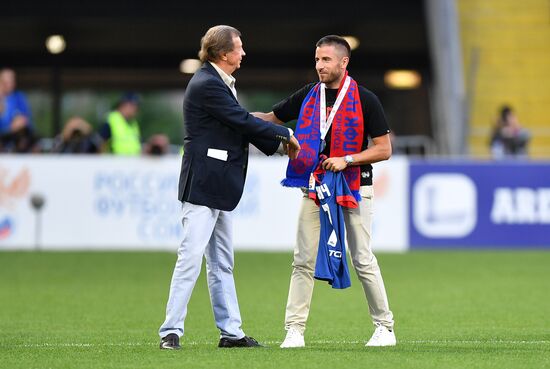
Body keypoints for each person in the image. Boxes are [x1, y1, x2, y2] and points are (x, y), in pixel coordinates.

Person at [158, 25, 301, 350]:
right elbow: (242, 121)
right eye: (239, 47)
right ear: (224, 53)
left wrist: (278, 142)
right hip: (204, 183)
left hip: (218, 183)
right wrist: (284, 136)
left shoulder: (217, 82)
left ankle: (231, 333)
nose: (243, 53)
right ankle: (171, 331)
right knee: (191, 256)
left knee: (221, 261)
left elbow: (238, 121)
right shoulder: (208, 83)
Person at [253, 35, 396, 348]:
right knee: (302, 258)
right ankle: (294, 330)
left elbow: (384, 149)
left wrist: (347, 160)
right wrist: (236, 117)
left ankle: (385, 327)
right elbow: (270, 119)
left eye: (326, 60)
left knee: (362, 258)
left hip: (355, 187)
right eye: (317, 59)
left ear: (344, 62)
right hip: (315, 186)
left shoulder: (365, 98)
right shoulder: (308, 94)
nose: (319, 66)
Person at [0, 68, 33, 134]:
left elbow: (25, 121)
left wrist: (19, 124)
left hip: (13, 139)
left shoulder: (18, 97)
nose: (9, 85)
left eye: (11, 81)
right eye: (5, 82)